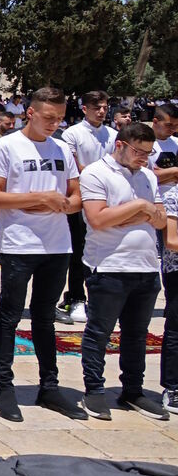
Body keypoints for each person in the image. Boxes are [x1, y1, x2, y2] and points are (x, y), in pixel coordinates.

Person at [0, 87, 85, 422]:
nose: (54, 124)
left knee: (45, 317)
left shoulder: (62, 148)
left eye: (59, 118)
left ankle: (50, 386)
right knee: (10, 315)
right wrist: (38, 200)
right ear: (30, 113)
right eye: (48, 117)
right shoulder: (6, 146)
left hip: (57, 245)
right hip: (19, 243)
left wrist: (69, 204)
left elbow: (75, 193)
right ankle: (4, 386)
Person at [78, 122, 169, 420]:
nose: (145, 158)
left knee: (136, 334)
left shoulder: (147, 176)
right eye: (139, 152)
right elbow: (98, 219)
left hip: (145, 266)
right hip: (109, 267)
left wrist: (128, 214)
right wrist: (140, 207)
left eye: (148, 152)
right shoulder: (95, 173)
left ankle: (133, 390)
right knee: (99, 332)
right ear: (120, 145)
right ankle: (94, 390)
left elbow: (159, 220)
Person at [59, 91, 115, 324]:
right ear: (85, 109)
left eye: (104, 107)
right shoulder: (72, 134)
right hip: (81, 197)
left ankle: (97, 296)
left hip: (105, 199)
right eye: (96, 107)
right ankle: (76, 297)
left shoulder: (112, 134)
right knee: (78, 250)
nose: (101, 111)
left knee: (102, 248)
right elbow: (74, 165)